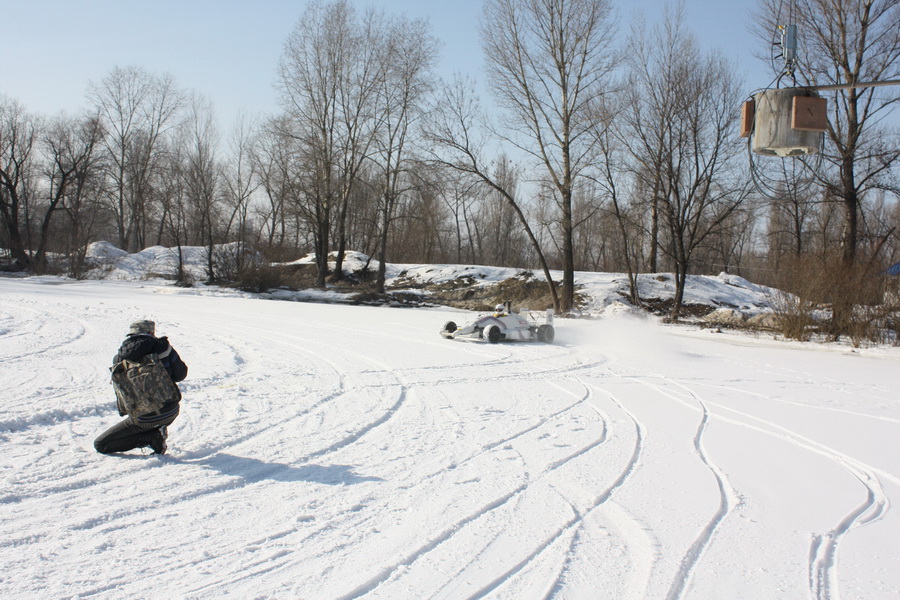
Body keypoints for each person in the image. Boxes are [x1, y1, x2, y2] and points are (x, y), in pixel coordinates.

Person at [94, 320, 188, 455]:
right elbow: (180, 375)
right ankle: (155, 432)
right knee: (155, 417)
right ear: (151, 332)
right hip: (171, 411)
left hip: (143, 418)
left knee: (100, 444)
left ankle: (150, 437)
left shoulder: (118, 359)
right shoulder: (163, 347)